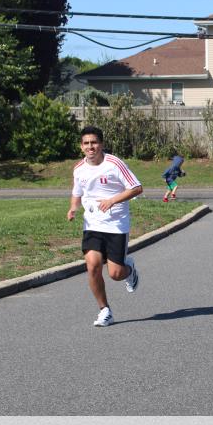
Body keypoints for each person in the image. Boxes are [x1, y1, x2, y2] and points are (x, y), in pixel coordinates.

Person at [67, 126, 143, 327]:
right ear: (81, 146)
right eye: (86, 143)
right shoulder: (79, 169)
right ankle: (105, 310)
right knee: (92, 265)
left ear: (101, 144)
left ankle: (129, 270)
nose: (90, 147)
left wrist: (112, 200)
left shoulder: (114, 164)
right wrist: (73, 208)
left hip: (116, 225)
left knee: (115, 274)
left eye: (94, 142)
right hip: (92, 224)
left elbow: (137, 188)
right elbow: (77, 192)